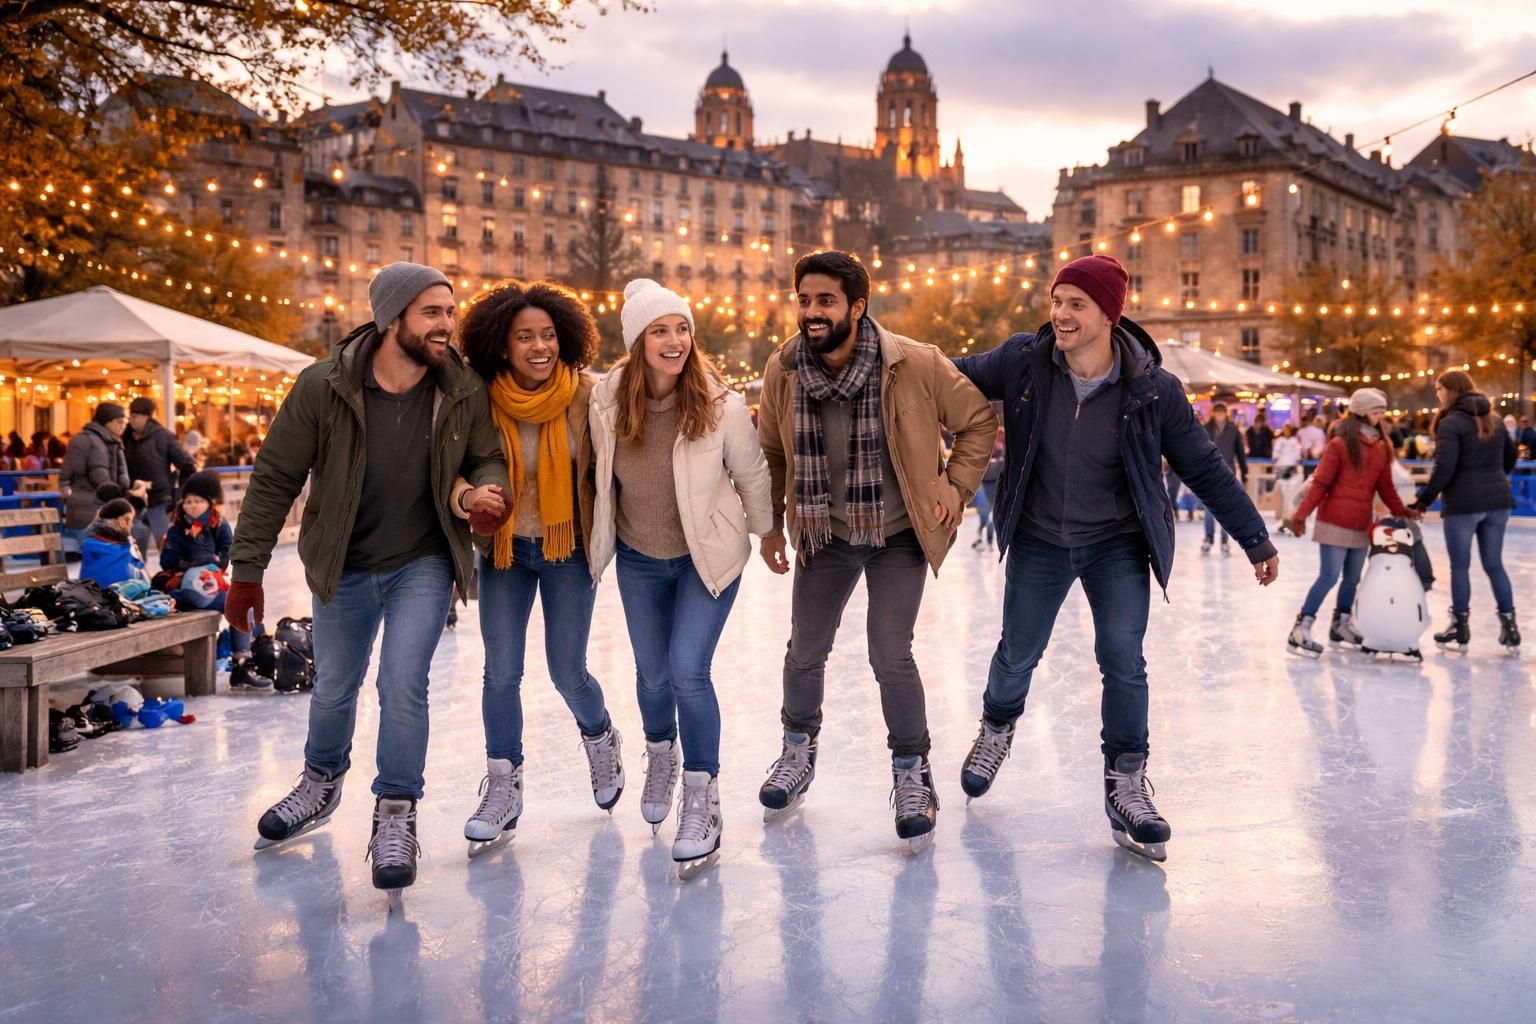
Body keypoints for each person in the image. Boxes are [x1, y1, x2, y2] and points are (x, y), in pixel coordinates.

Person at [951, 254, 1279, 863]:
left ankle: (1126, 780)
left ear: (1109, 315)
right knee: (1018, 651)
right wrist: (880, 351)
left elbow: (1204, 466)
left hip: (1117, 542)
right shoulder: (1024, 361)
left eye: (1076, 304)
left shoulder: (1153, 389)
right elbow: (945, 375)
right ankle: (996, 728)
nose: (1061, 314)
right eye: (1057, 301)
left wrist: (1253, 537)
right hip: (1041, 538)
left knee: (1123, 661)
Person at [227, 262, 510, 897]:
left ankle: (396, 811)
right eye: (431, 312)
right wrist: (247, 571)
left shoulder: (461, 386)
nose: (446, 324)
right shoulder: (323, 386)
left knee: (402, 683)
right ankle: (320, 782)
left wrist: (489, 491)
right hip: (344, 563)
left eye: (450, 311)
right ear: (391, 319)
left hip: (423, 560)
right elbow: (274, 478)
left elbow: (485, 455)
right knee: (333, 687)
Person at [755, 250, 997, 852]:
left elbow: (978, 421)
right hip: (825, 534)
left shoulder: (914, 362)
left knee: (890, 654)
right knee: (805, 650)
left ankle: (912, 772)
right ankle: (797, 751)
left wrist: (955, 487)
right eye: (804, 300)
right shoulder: (784, 368)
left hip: (898, 534)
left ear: (857, 306)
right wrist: (771, 526)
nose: (812, 312)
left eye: (826, 300)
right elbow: (773, 453)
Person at [588, 277, 772, 877]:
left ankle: (701, 796)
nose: (675, 341)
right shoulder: (607, 399)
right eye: (660, 331)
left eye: (682, 328)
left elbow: (751, 473)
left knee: (688, 671)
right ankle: (661, 752)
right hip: (640, 557)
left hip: (707, 557)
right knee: (652, 676)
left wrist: (768, 532)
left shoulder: (719, 404)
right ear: (637, 342)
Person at [451, 280, 623, 857]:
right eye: (524, 336)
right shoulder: (480, 397)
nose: (539, 346)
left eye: (548, 335)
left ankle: (600, 736)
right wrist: (469, 494)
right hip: (505, 552)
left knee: (567, 670)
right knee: (500, 672)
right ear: (502, 345)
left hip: (566, 548)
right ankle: (504, 786)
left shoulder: (588, 396)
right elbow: (454, 463)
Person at [1285, 388, 1416, 656]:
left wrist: (1402, 511)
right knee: (1329, 576)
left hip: (1360, 523)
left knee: (1352, 579)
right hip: (1334, 522)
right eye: (1376, 410)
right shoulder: (1340, 444)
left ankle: (1341, 624)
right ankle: (1301, 627)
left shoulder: (1381, 447)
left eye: (1382, 411)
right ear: (1361, 412)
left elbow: (1386, 486)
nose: (1381, 416)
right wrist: (1301, 515)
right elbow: (1320, 483)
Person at [1410, 371, 1519, 653]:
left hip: (1463, 504)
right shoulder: (1494, 419)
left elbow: (1444, 468)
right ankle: (1510, 626)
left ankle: (1460, 626)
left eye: (1439, 389)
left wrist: (1423, 500)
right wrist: (1494, 477)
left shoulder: (1451, 423)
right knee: (1494, 564)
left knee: (1460, 566)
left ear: (1451, 390)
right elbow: (1511, 457)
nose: (1437, 394)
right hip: (1497, 502)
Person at [159, 470, 269, 689]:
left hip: (211, 587)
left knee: (241, 605)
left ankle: (246, 662)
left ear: (209, 502)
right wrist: (191, 564)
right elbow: (167, 561)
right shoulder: (178, 529)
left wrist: (214, 561)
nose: (191, 506)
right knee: (237, 605)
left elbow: (228, 554)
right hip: (182, 590)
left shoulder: (218, 525)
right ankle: (244, 664)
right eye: (188, 501)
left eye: (197, 501)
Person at [61, 403, 151, 550]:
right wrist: (124, 491)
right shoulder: (85, 441)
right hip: (87, 511)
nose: (123, 426)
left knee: (139, 533)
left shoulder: (113, 441)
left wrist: (131, 487)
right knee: (105, 550)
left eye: (125, 422)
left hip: (107, 508)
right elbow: (98, 478)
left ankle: (133, 565)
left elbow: (119, 477)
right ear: (106, 421)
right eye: (119, 422)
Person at [124, 397, 198, 552]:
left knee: (164, 542)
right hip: (132, 496)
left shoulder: (162, 436)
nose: (132, 420)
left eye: (136, 416)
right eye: (130, 416)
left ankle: (169, 563)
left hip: (157, 496)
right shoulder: (124, 437)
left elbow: (186, 463)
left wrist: (183, 491)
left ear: (147, 417)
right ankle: (138, 565)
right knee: (131, 539)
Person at [1200, 402, 1248, 555]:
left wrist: (1244, 472)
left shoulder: (1233, 430)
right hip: (1208, 474)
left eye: (1222, 412)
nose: (1219, 414)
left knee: (1226, 509)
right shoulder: (1205, 429)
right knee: (1209, 509)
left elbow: (1240, 452)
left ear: (1226, 413)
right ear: (1213, 413)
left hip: (1227, 474)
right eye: (1217, 412)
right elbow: (1197, 450)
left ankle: (1224, 540)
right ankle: (1208, 538)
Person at [79, 497, 148, 588]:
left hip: (90, 594)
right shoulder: (125, 551)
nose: (132, 525)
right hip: (120, 595)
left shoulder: (89, 545)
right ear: (121, 521)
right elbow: (141, 581)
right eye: (130, 521)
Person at [972, 427, 1005, 550]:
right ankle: (982, 537)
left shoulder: (1002, 447)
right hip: (986, 484)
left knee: (991, 514)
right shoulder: (987, 445)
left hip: (995, 484)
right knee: (985, 514)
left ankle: (989, 539)